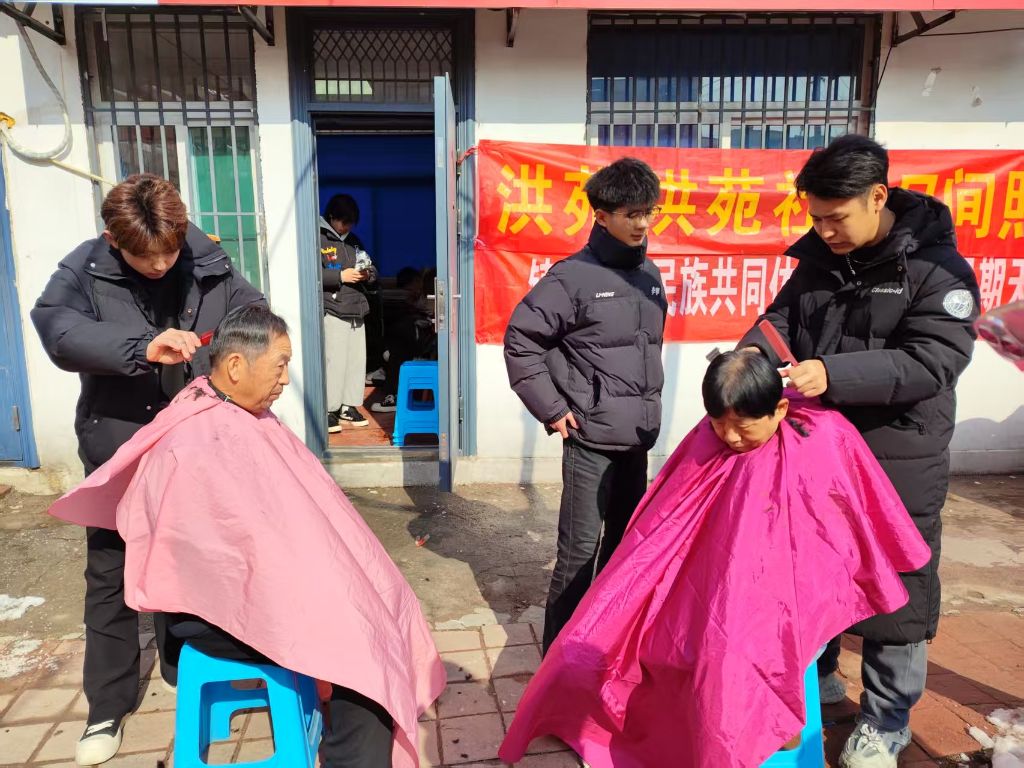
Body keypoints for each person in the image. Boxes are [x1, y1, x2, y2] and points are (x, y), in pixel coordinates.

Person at [47, 305, 446, 768]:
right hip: (213, 615)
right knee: (359, 641)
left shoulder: (233, 410)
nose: (285, 380)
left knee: (381, 594)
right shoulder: (194, 443)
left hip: (252, 587)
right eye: (280, 366)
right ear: (236, 366)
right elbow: (222, 562)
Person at [499, 350, 930, 768]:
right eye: (719, 424)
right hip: (707, 587)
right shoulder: (708, 439)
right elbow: (664, 524)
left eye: (742, 427)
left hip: (784, 597)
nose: (730, 438)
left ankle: (765, 721)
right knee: (610, 640)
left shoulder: (819, 438)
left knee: (735, 657)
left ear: (780, 410)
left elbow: (832, 541)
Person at [739, 135, 980, 768]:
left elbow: (933, 360)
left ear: (878, 197)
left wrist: (833, 374)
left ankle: (886, 719)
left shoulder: (938, 270)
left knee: (895, 585)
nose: (824, 230)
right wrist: (747, 361)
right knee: (812, 570)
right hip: (819, 454)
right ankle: (819, 684)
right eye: (815, 217)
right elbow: (778, 323)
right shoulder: (821, 259)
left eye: (836, 217)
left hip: (897, 454)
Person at [30, 174, 263, 766]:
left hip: (194, 444)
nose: (160, 265)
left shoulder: (207, 262)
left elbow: (253, 315)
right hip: (120, 442)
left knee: (191, 558)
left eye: (169, 251)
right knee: (112, 571)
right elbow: (58, 330)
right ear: (114, 240)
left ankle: (183, 664)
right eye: (145, 256)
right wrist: (142, 348)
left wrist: (242, 359)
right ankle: (106, 706)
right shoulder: (84, 270)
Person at [503, 157, 667, 653]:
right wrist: (553, 409)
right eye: (631, 213)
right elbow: (521, 342)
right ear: (601, 214)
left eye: (649, 212)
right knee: (578, 556)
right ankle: (557, 664)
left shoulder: (650, 275)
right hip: (589, 441)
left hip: (636, 440)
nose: (642, 223)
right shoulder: (571, 278)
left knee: (623, 550)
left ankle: (603, 648)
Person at [321, 194, 377, 432]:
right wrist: (339, 276)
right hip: (333, 308)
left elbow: (370, 265)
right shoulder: (319, 238)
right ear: (331, 217)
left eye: (350, 224)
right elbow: (309, 272)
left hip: (356, 308)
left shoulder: (354, 241)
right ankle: (329, 409)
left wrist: (368, 274)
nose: (347, 228)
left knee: (356, 361)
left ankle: (348, 406)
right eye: (344, 222)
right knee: (334, 362)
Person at [372, 267, 435, 414]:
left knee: (402, 335)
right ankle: (386, 361)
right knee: (401, 331)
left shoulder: (436, 298)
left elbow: (432, 318)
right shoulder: (419, 297)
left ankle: (393, 394)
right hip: (423, 338)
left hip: (431, 342)